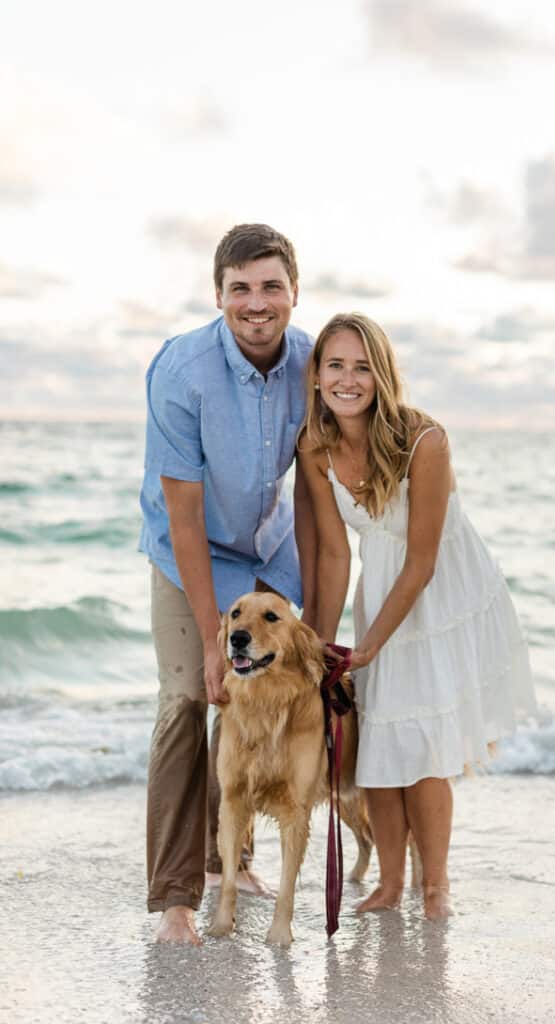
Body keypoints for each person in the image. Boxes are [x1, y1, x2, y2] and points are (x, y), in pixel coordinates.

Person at [298, 312, 536, 920]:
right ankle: (390, 883)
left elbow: (424, 560)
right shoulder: (315, 445)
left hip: (443, 593)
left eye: (361, 367)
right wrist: (318, 647)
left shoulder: (425, 440)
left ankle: (436, 887)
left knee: (423, 741)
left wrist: (370, 647)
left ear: (381, 374)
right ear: (318, 374)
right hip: (380, 585)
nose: (347, 380)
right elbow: (332, 551)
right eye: (335, 366)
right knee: (377, 736)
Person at [139, 223, 315, 944]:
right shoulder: (182, 370)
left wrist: (316, 625)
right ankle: (175, 894)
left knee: (260, 698)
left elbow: (314, 496)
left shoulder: (310, 362)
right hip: (189, 547)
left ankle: (232, 862)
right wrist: (217, 639)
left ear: (293, 293)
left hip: (266, 547)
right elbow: (183, 514)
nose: (255, 302)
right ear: (219, 295)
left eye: (270, 286)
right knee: (191, 697)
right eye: (240, 288)